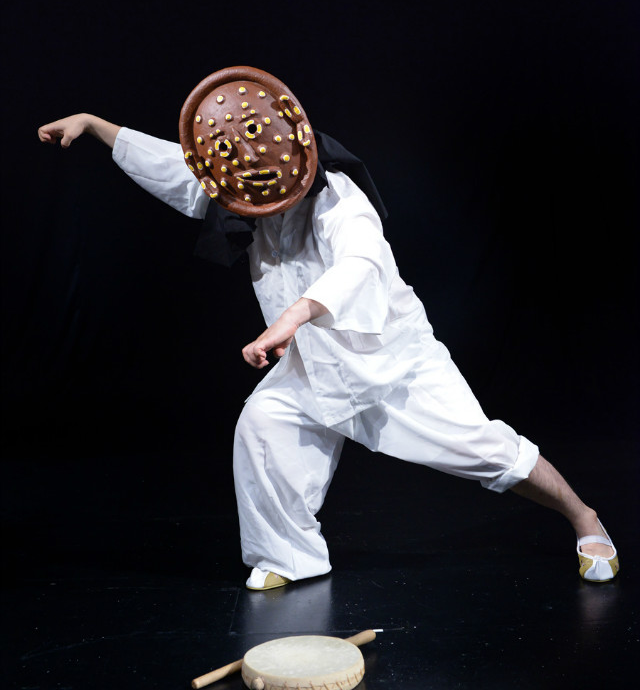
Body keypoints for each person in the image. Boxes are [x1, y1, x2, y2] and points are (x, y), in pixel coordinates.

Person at [37, 67, 619, 591]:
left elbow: (358, 266)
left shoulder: (341, 200)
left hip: (392, 366)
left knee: (487, 450)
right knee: (263, 425)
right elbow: (177, 167)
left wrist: (289, 320)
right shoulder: (242, 190)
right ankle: (291, 557)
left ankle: (584, 519)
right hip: (311, 369)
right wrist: (93, 125)